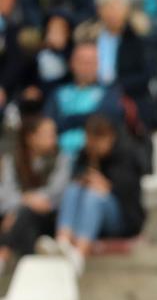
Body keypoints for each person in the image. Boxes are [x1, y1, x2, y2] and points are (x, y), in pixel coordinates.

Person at [51, 115, 144, 275]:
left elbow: (131, 197)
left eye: (98, 140)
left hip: (122, 219)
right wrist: (86, 179)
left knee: (94, 197)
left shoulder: (126, 155)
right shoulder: (85, 155)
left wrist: (108, 187)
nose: (93, 146)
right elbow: (76, 178)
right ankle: (63, 241)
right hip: (88, 219)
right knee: (73, 189)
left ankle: (79, 254)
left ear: (110, 137)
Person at [0, 114, 71, 273]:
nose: (53, 138)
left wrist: (22, 202)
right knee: (23, 216)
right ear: (30, 138)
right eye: (47, 134)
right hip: (21, 216)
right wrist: (26, 200)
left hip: (51, 217)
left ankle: (3, 255)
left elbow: (55, 194)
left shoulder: (62, 158)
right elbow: (4, 196)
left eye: (54, 133)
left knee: (23, 215)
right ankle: (26, 266)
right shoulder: (14, 159)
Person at [87, 0, 157, 131]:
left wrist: (116, 86)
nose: (112, 13)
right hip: (91, 90)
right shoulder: (89, 37)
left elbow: (147, 75)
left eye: (116, 7)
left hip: (126, 94)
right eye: (107, 7)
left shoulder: (139, 39)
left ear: (126, 10)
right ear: (99, 11)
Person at [45, 40, 121, 161]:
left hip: (93, 158)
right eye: (82, 61)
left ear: (98, 65)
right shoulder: (59, 93)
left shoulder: (109, 92)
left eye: (91, 62)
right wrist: (84, 119)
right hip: (56, 156)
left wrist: (69, 119)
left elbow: (104, 119)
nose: (86, 67)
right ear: (71, 63)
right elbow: (48, 124)